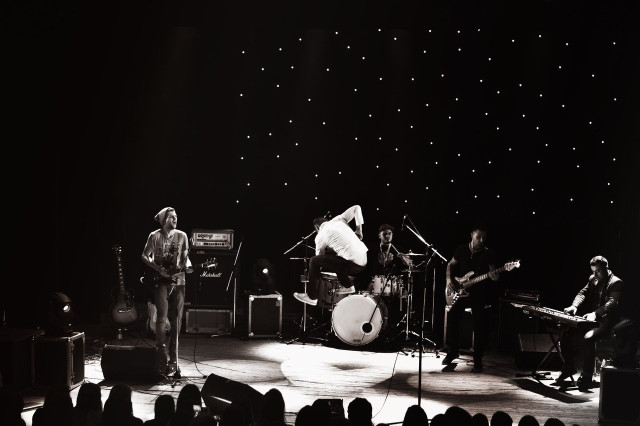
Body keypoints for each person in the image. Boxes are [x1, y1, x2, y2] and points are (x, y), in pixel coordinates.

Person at [555, 255, 623, 390]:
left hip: (606, 322)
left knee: (589, 337)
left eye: (598, 271)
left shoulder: (616, 282)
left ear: (606, 268)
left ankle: (587, 377)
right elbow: (582, 293)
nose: (595, 274)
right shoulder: (593, 278)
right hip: (592, 319)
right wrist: (574, 306)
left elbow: (612, 303)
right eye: (593, 271)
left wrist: (595, 313)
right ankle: (568, 367)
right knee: (566, 329)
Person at [442, 224, 500, 372]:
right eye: (478, 237)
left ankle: (477, 359)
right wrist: (449, 280)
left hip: (479, 294)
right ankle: (453, 351)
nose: (481, 240)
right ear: (472, 235)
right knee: (453, 319)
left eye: (484, 238)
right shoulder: (461, 249)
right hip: (461, 290)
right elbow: (450, 264)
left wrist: (495, 276)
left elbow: (494, 275)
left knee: (479, 326)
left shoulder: (489, 253)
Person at [141, 207, 192, 376]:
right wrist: (157, 268)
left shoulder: (182, 236)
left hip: (179, 281)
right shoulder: (154, 236)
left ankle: (174, 360)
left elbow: (185, 258)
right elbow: (144, 255)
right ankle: (161, 355)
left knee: (177, 320)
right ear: (164, 220)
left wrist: (189, 266)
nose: (175, 219)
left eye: (176, 216)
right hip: (161, 281)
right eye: (171, 217)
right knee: (161, 317)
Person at [294, 205, 368, 306]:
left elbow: (319, 259)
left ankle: (312, 297)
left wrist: (312, 275)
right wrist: (359, 230)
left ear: (317, 228)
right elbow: (357, 208)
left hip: (352, 264)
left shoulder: (319, 236)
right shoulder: (339, 219)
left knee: (313, 260)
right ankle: (348, 286)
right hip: (363, 259)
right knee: (336, 257)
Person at [366, 224, 413, 293]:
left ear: (392, 235)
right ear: (379, 235)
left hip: (394, 282)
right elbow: (367, 267)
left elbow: (409, 264)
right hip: (376, 282)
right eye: (384, 234)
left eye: (389, 234)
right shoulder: (373, 249)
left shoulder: (398, 249)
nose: (387, 236)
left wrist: (403, 258)